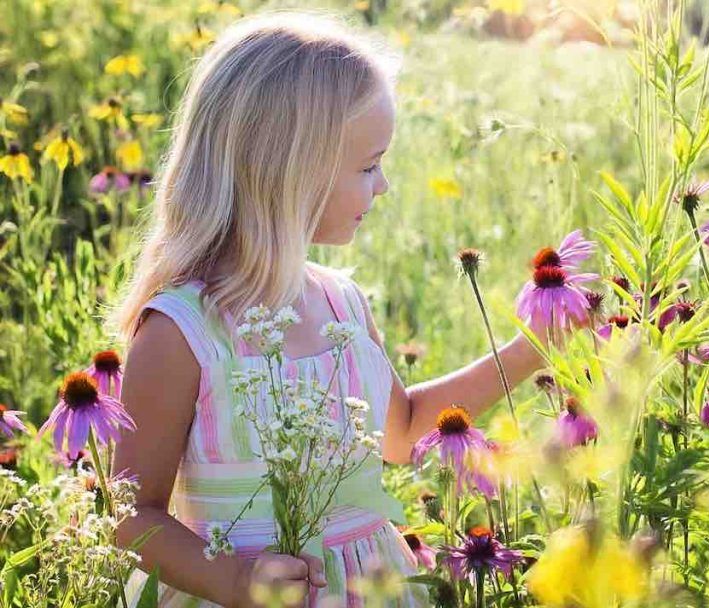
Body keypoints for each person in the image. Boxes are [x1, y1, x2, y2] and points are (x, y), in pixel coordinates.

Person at [109, 10, 552, 607]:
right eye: (369, 166)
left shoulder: (340, 302)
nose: (384, 186)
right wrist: (236, 582)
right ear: (289, 173)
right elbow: (131, 517)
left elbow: (401, 434)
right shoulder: (183, 332)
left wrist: (534, 347)